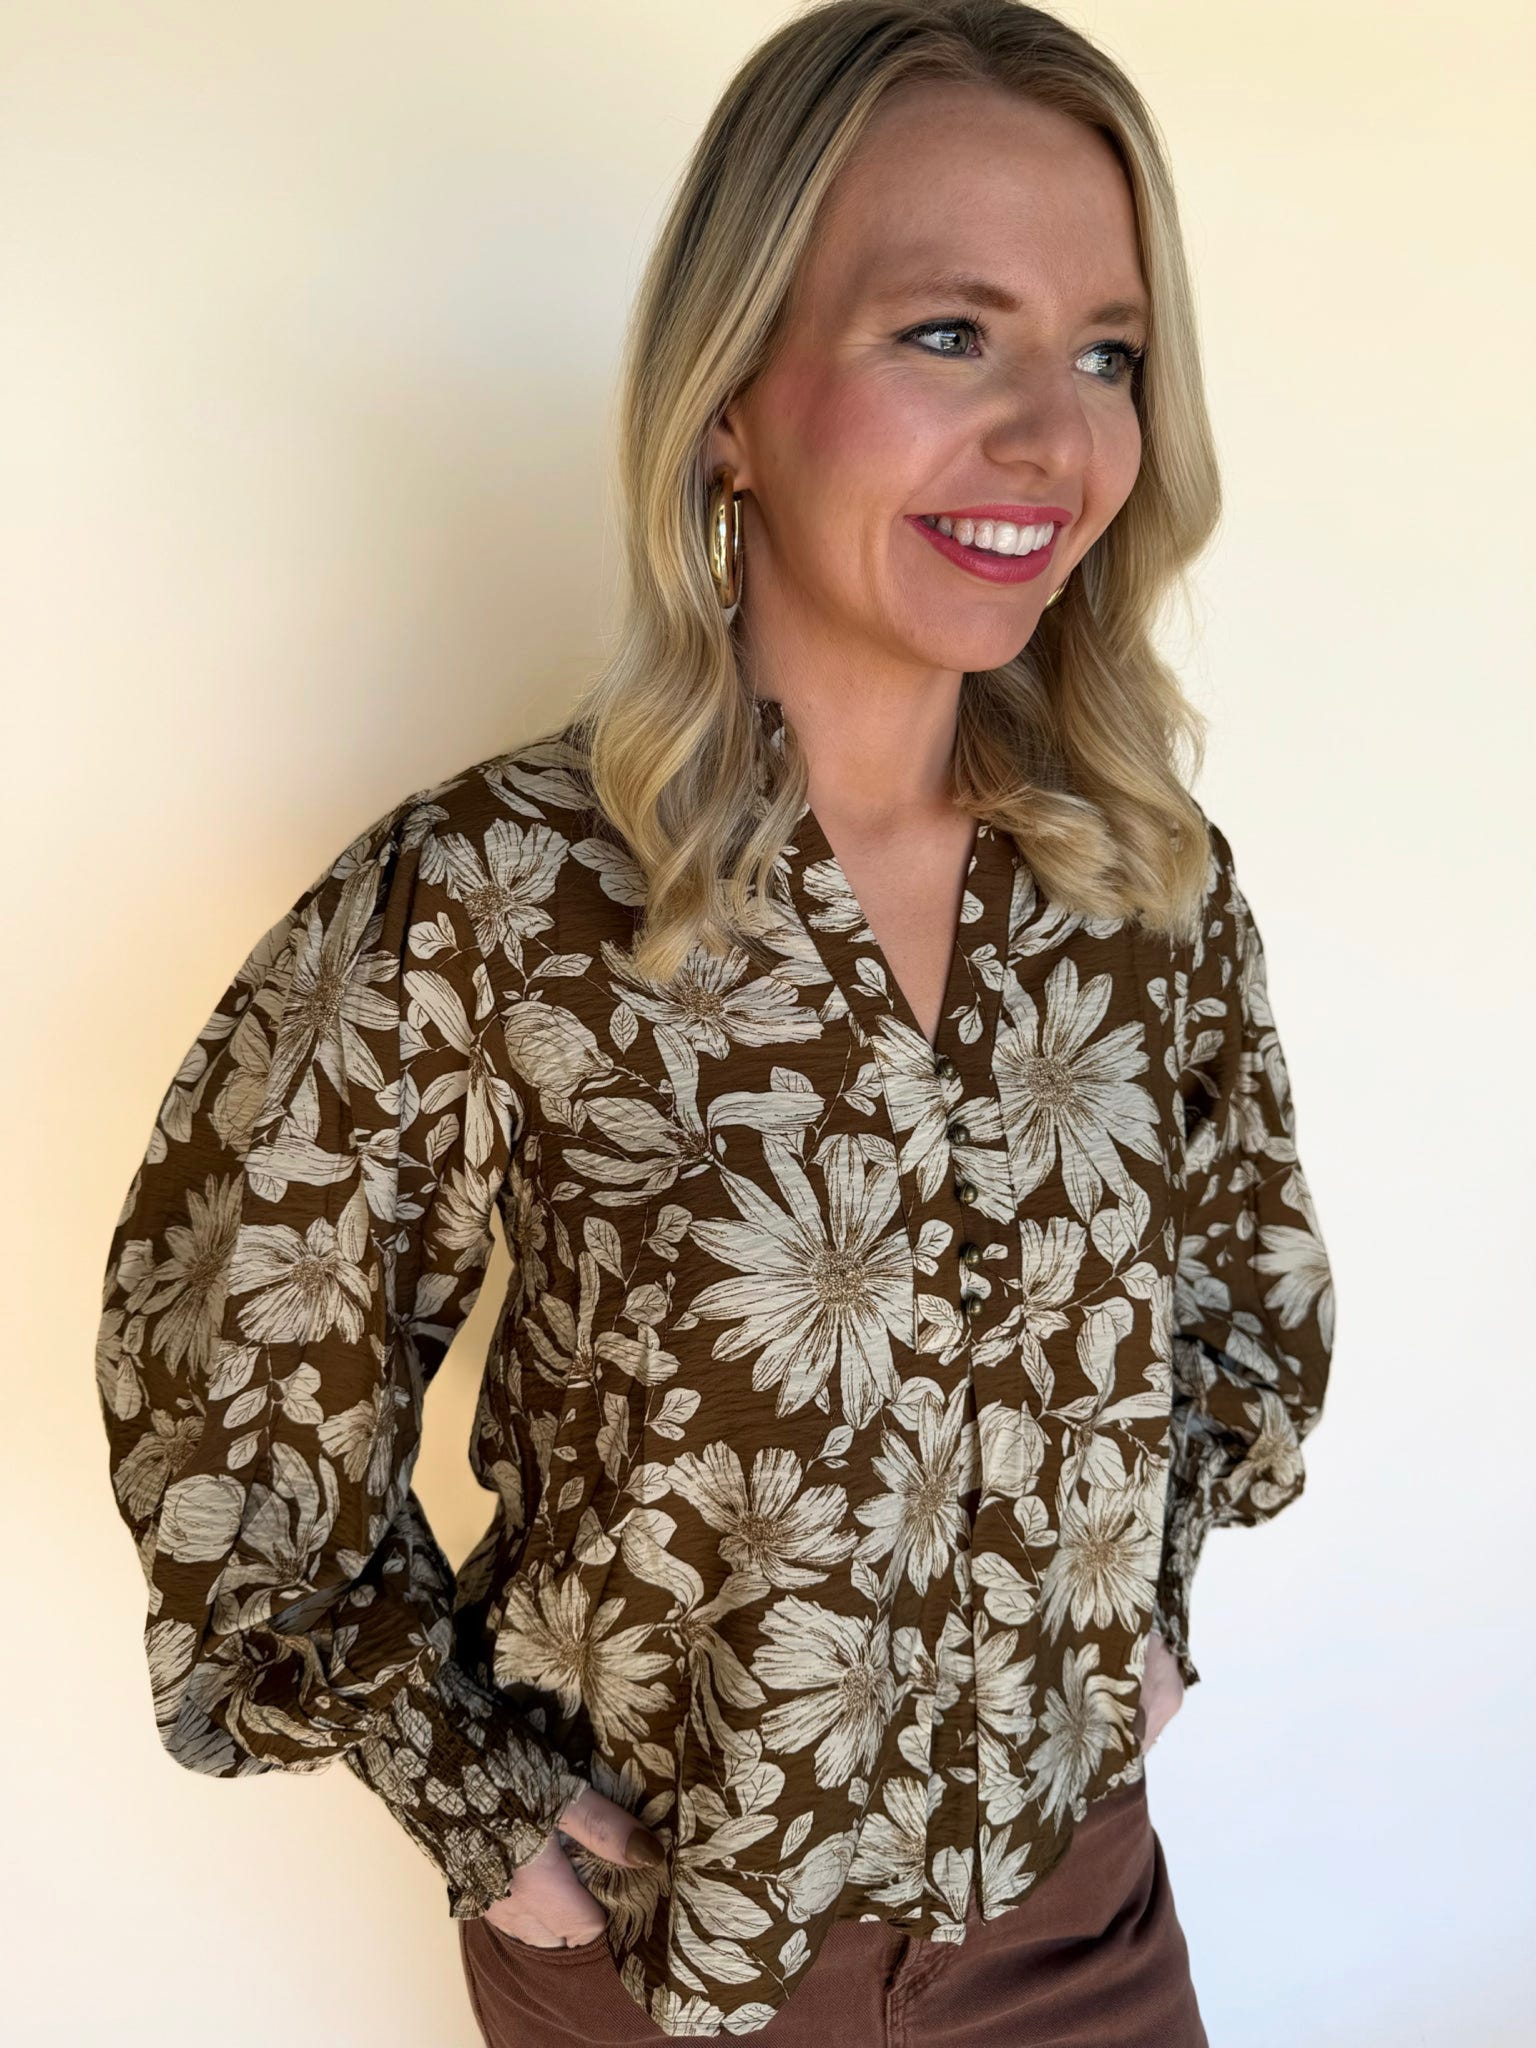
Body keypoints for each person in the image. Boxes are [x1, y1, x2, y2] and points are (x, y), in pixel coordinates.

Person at [93, 2, 1336, 2042]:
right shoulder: (497, 894)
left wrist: (1150, 1594)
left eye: (1107, 351)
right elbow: (228, 1351)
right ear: (733, 394)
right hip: (680, 1965)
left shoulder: (1137, 881)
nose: (1055, 438)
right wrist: (480, 1801)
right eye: (953, 331)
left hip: (1081, 1924)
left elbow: (1243, 1289)